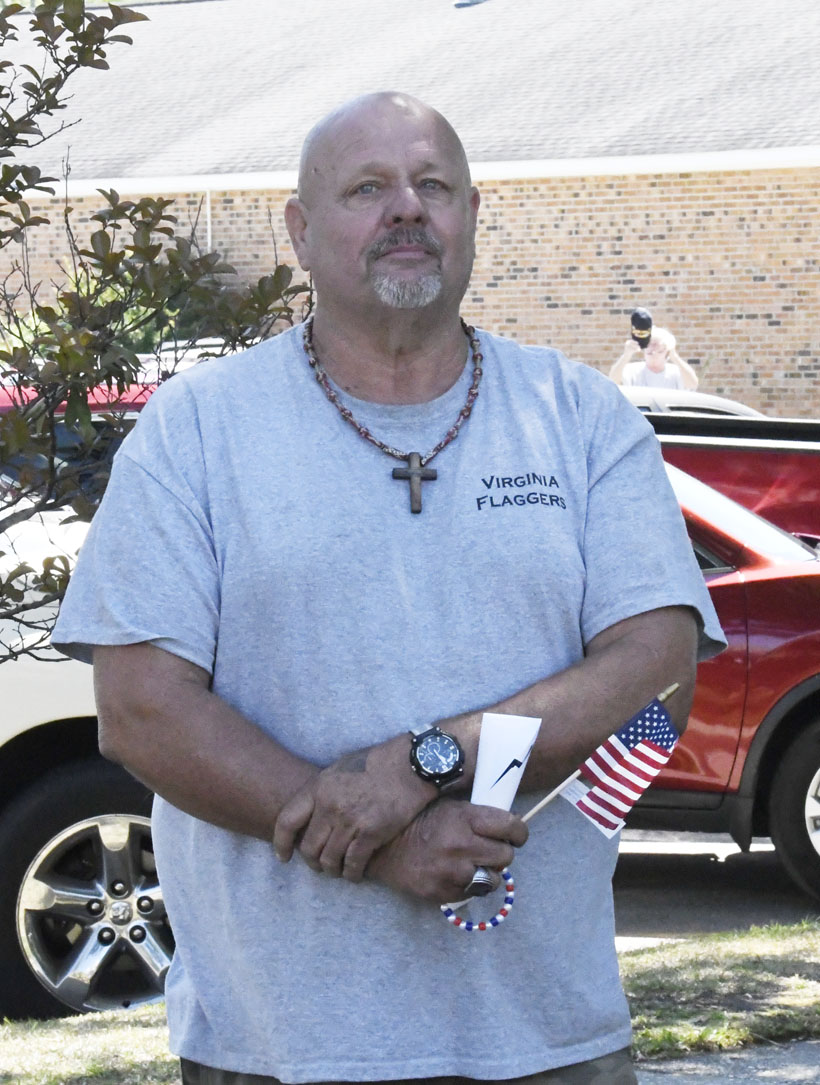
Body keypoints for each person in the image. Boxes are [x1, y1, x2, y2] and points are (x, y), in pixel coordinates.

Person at [52, 91, 726, 1085]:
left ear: (471, 216)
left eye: (433, 185)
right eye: (367, 188)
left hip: (547, 1040)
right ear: (300, 231)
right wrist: (380, 845)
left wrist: (424, 763)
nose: (407, 207)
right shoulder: (196, 428)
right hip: (277, 1045)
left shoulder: (582, 417)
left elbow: (658, 672)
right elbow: (142, 711)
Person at [610, 322, 700, 390]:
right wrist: (626, 355)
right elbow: (613, 382)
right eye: (649, 345)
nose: (653, 349)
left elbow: (693, 384)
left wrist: (674, 356)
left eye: (657, 346)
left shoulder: (676, 372)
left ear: (666, 350)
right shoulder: (632, 370)